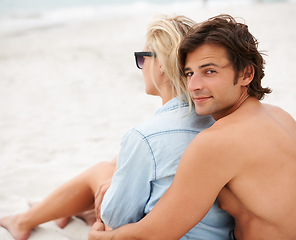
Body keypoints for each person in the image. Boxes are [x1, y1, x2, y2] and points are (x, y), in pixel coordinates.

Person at [0, 15, 234, 240]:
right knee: (117, 162)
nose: (142, 66)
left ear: (161, 64)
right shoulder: (223, 120)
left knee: (102, 172)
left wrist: (111, 185)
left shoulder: (146, 135)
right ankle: (52, 213)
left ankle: (25, 220)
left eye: (143, 57)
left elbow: (117, 216)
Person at [88, 14, 296, 240]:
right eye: (189, 73)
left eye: (209, 71)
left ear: (246, 74)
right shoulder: (281, 117)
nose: (194, 86)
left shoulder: (217, 141)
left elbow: (153, 234)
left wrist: (99, 237)